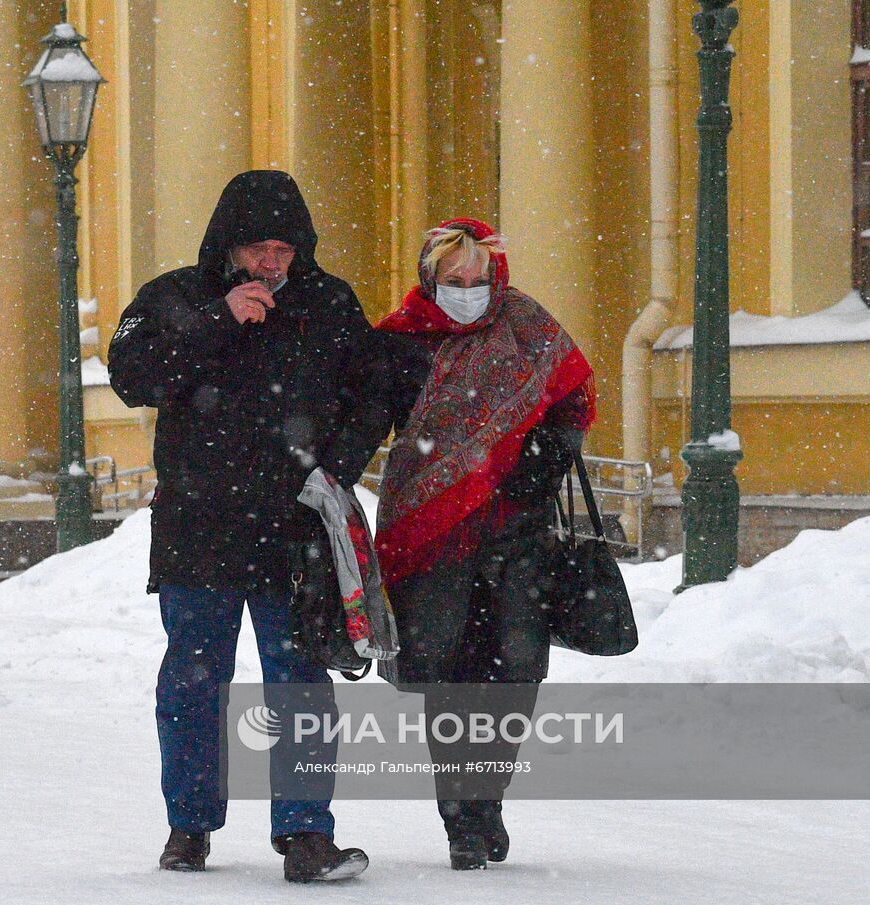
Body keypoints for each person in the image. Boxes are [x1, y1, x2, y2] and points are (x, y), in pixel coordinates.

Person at [108, 170, 379, 883]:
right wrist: (219, 319)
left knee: (300, 682)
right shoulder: (176, 296)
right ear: (229, 246)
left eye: (285, 248)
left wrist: (339, 467)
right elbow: (130, 373)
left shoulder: (329, 304)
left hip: (294, 530)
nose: (272, 261)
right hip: (198, 525)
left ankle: (305, 834)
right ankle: (189, 824)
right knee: (195, 681)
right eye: (259, 246)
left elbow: (375, 389)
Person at [371, 218, 596, 870]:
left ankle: (487, 794)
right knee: (451, 676)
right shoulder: (401, 343)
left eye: (477, 276)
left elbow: (570, 398)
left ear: (494, 275)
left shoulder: (525, 325)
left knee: (515, 673)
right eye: (452, 278)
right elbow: (364, 415)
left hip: (517, 530)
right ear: (430, 278)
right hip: (434, 533)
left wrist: (543, 457)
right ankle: (459, 816)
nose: (467, 288)